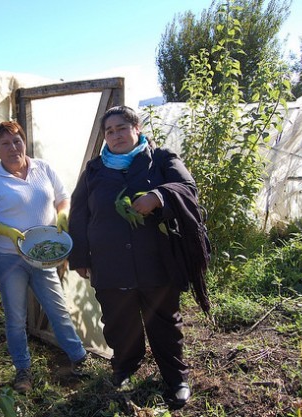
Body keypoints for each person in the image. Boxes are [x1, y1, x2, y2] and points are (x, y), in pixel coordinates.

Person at [68, 105, 198, 407]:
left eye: (122, 128)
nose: (115, 135)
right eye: (109, 131)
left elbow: (188, 189)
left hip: (156, 259)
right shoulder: (95, 170)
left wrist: (159, 197)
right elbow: (78, 213)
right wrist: (81, 257)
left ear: (136, 129)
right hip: (109, 261)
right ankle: (125, 367)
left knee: (164, 321)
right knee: (118, 321)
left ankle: (176, 378)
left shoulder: (161, 159)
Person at [0, 121, 88, 393]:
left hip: (42, 254)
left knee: (58, 309)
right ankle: (23, 371)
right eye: (6, 143)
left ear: (24, 143)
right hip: (9, 258)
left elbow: (63, 197)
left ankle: (79, 360)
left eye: (17, 141)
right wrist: (5, 231)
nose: (13, 148)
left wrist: (62, 215)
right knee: (16, 316)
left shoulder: (43, 168)